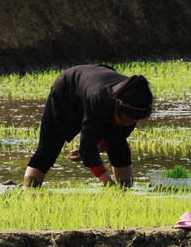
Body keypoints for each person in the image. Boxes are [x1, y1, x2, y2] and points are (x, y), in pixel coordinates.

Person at [23, 64, 153, 188]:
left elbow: (118, 136)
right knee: (47, 149)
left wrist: (96, 149)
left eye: (132, 122)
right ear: (116, 105)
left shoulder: (136, 100)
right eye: (124, 120)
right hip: (67, 92)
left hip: (95, 87)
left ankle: (127, 188)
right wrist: (109, 184)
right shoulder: (98, 100)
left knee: (119, 146)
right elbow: (87, 145)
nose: (127, 125)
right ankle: (29, 191)